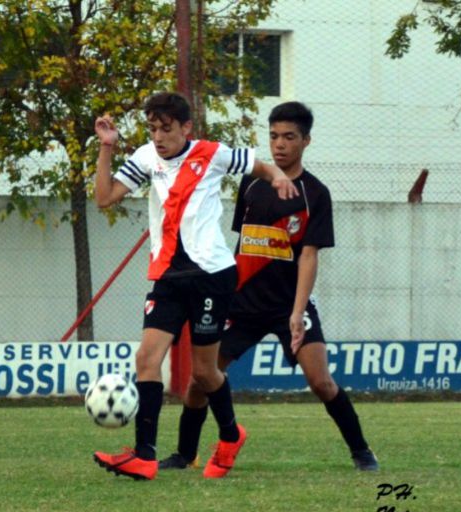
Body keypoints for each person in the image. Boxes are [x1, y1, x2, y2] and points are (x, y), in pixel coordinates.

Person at [159, 101, 379, 473]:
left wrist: (297, 312)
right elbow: (242, 245)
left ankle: (362, 452)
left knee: (321, 382)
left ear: (306, 141)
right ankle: (184, 454)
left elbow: (308, 256)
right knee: (202, 377)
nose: (279, 144)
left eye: (289, 137)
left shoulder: (315, 194)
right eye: (274, 136)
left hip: (288, 306)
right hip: (241, 302)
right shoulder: (253, 183)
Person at [91, 91, 298, 481]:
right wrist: (107, 148)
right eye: (152, 128)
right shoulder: (145, 158)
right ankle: (144, 455)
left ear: (186, 127)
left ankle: (231, 434)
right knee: (146, 360)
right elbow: (104, 198)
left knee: (204, 374)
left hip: (211, 276)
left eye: (166, 129)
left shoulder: (212, 153)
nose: (158, 137)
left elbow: (258, 166)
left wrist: (279, 177)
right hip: (166, 276)